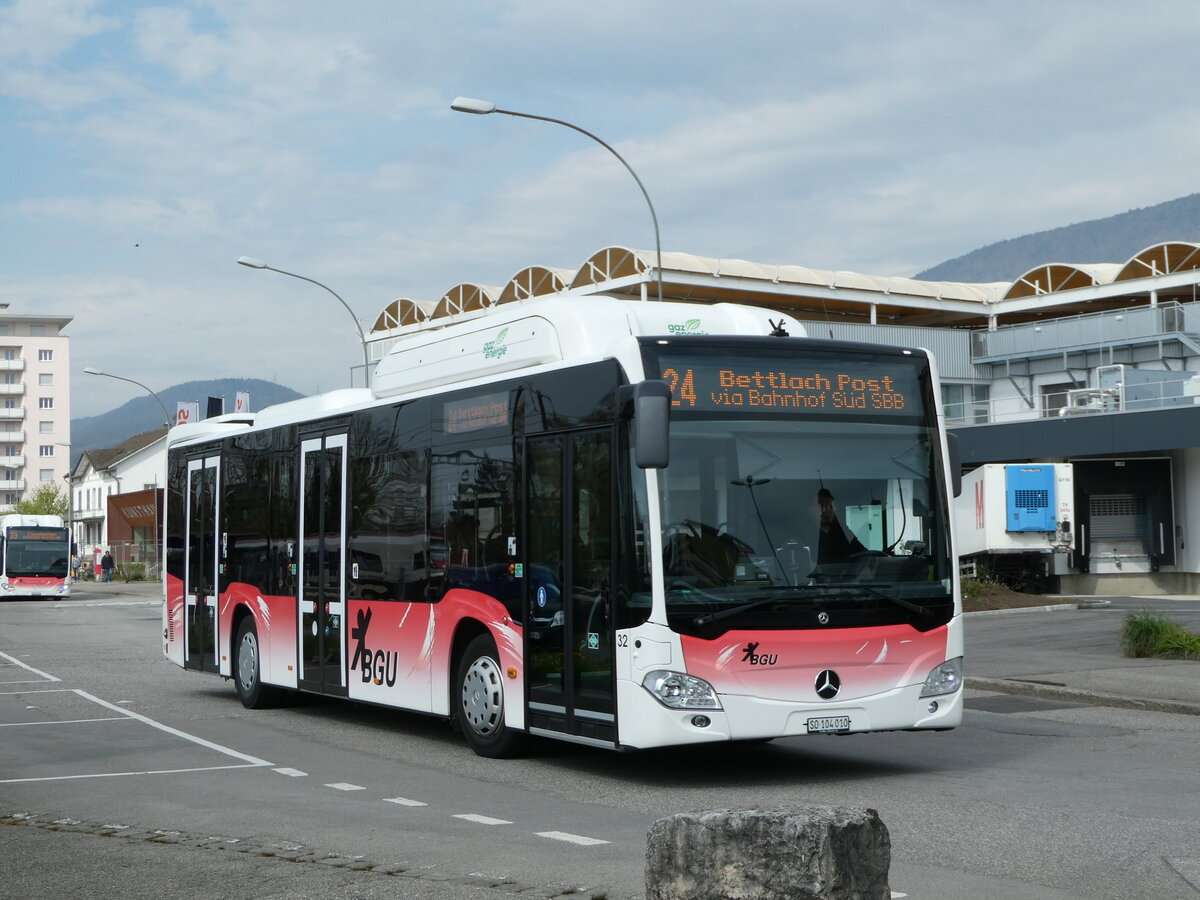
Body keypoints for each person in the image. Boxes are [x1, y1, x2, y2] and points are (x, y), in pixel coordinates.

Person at [816, 489, 866, 564]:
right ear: (809, 509)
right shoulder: (805, 539)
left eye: (830, 506)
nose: (827, 510)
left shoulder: (844, 532)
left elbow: (863, 553)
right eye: (822, 505)